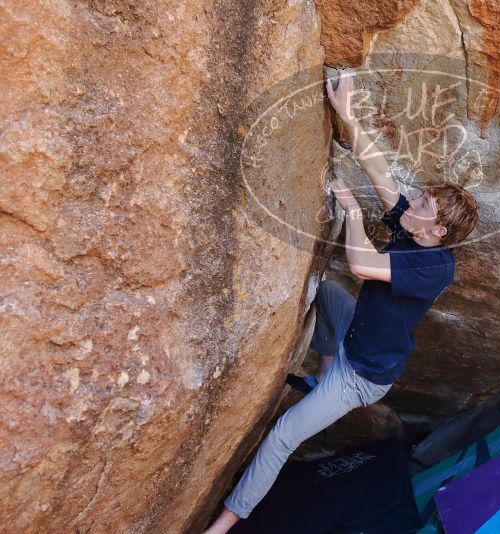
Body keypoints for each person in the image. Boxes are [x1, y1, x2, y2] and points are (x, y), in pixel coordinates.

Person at [202, 71, 479, 534]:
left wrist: (352, 213)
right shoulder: (414, 231)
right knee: (326, 294)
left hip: (363, 375)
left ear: (438, 232)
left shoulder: (436, 265)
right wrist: (346, 115)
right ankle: (325, 368)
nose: (412, 203)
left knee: (283, 437)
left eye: (423, 205)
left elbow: (363, 267)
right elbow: (380, 171)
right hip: (355, 337)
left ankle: (227, 520)